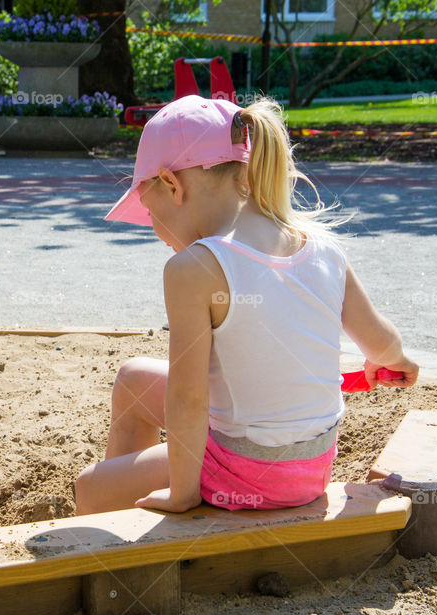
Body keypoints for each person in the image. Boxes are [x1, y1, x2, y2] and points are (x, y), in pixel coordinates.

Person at [75, 95, 418, 516]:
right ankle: (138, 513)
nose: (156, 232)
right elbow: (381, 343)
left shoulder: (192, 268)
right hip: (310, 469)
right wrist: (393, 360)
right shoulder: (323, 247)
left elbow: (189, 397)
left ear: (171, 185)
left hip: (245, 471)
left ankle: (124, 539)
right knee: (133, 379)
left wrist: (183, 492)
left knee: (89, 488)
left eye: (149, 213)